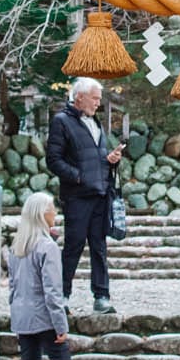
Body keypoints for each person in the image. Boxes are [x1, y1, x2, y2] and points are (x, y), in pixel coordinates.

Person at [7, 191, 107, 360]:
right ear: (43, 214)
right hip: (45, 317)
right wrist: (61, 324)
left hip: (23, 315)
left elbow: (12, 286)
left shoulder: (17, 247)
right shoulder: (47, 246)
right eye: (52, 209)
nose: (55, 214)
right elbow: (53, 290)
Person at [45, 76, 123, 314]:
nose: (98, 103)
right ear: (79, 97)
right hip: (77, 196)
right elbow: (53, 160)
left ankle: (102, 297)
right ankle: (62, 296)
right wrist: (78, 177)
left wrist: (109, 160)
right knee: (73, 246)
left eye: (99, 98)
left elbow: (93, 157)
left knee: (99, 248)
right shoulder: (61, 121)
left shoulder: (97, 124)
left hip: (100, 193)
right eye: (95, 98)